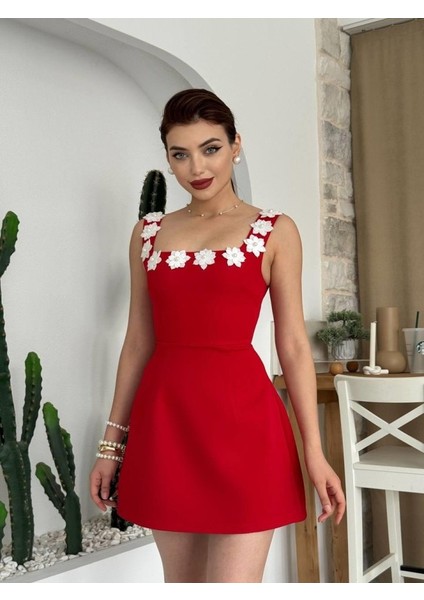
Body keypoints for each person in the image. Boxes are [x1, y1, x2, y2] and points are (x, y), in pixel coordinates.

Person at [89, 88, 345, 583]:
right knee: (181, 585)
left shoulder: (275, 231)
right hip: (167, 428)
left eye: (210, 148)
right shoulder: (147, 233)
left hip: (245, 430)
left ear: (235, 145)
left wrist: (314, 453)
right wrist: (110, 445)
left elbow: (293, 346)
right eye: (180, 154)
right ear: (167, 159)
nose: (197, 167)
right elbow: (138, 341)